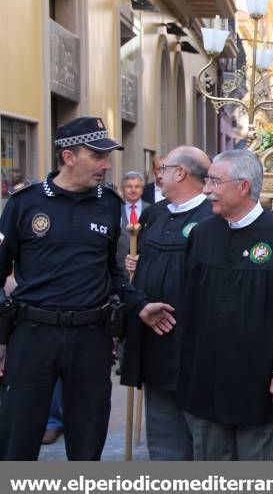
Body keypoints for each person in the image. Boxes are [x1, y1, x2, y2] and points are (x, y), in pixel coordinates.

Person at [0, 116, 170, 460]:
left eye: (107, 157)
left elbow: (112, 270)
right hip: (33, 336)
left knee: (88, 443)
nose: (106, 165)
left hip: (91, 338)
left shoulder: (108, 204)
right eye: (97, 156)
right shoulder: (24, 204)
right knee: (17, 441)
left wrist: (138, 305)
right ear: (68, 157)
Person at [176, 149, 273, 461]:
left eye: (214, 181)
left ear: (242, 187)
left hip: (261, 384)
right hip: (208, 382)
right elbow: (190, 305)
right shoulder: (202, 235)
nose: (206, 189)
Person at [119, 146, 213, 460]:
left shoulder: (212, 217)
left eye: (164, 167)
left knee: (205, 443)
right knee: (164, 444)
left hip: (195, 352)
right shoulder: (153, 215)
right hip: (155, 349)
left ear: (181, 173)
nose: (158, 173)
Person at [116, 171, 149, 266]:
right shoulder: (115, 209)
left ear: (142, 189)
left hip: (144, 265)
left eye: (137, 186)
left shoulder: (152, 210)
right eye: (129, 186)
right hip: (121, 266)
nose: (133, 190)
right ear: (122, 189)